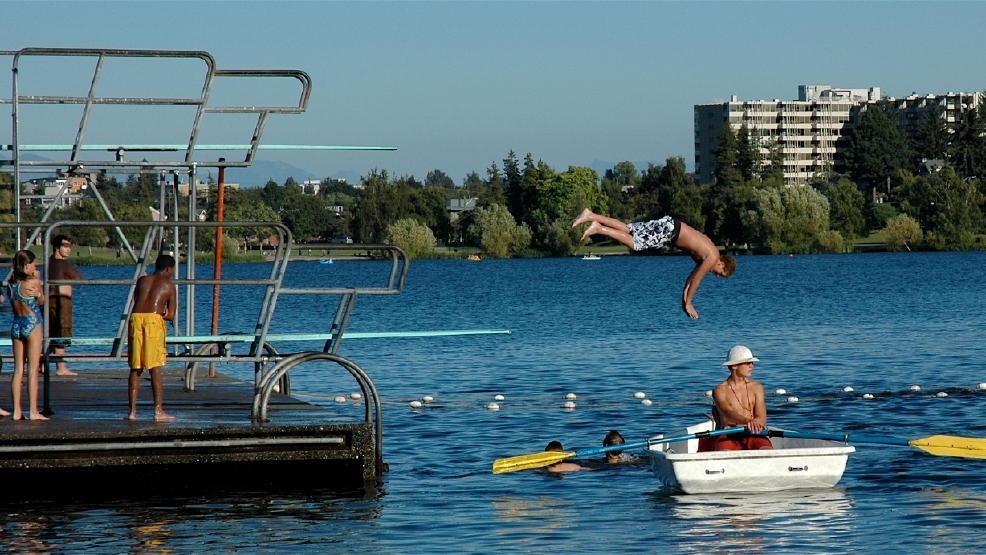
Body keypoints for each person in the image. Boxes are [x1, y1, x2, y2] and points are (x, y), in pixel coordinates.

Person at [572, 209, 736, 319]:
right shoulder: (713, 257)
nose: (716, 275)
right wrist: (689, 303)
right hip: (670, 231)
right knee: (635, 244)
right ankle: (598, 228)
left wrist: (684, 303)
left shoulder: (708, 254)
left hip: (670, 226)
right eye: (720, 273)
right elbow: (696, 281)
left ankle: (590, 215)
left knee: (629, 229)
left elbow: (690, 280)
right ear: (722, 263)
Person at [127, 254, 177, 422]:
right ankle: (158, 411)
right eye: (173, 270)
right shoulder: (169, 286)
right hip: (153, 321)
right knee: (155, 367)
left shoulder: (142, 280)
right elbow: (171, 315)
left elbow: (137, 300)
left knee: (136, 367)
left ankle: (132, 412)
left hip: (135, 319)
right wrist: (165, 312)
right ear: (168, 269)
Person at [8, 250, 48, 420]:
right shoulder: (33, 282)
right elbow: (42, 301)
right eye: (33, 264)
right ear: (26, 265)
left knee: (18, 369)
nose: (35, 266)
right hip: (32, 323)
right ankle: (33, 411)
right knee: (32, 369)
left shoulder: (11, 284)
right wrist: (39, 293)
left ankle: (16, 411)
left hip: (17, 324)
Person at [710, 345, 772, 451]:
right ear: (734, 366)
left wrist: (753, 424)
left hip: (753, 433)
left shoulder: (757, 387)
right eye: (747, 363)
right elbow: (727, 412)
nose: (751, 366)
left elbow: (761, 418)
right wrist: (748, 421)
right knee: (724, 453)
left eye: (752, 363)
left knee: (767, 450)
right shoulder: (719, 390)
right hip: (729, 435)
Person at [47, 234, 82, 376]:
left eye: (70, 246)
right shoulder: (61, 263)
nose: (68, 249)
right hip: (61, 300)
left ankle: (42, 364)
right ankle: (61, 368)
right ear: (57, 248)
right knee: (61, 333)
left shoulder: (50, 261)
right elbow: (78, 277)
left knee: (51, 333)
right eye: (65, 246)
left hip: (50, 300)